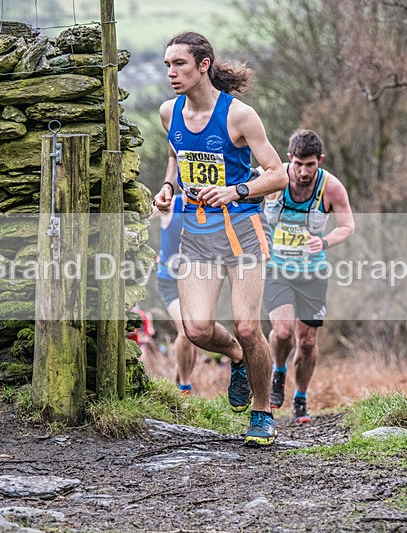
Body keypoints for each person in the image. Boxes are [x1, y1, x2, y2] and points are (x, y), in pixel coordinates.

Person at [153, 31, 287, 447]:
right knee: (195, 328)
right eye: (168, 66)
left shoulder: (239, 116)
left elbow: (278, 174)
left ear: (203, 65)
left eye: (180, 64)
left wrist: (237, 190)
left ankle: (262, 414)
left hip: (244, 228)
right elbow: (176, 155)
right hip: (198, 232)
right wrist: (168, 189)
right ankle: (238, 360)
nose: (172, 73)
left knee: (248, 326)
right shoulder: (167, 112)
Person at [262, 130, 355, 423]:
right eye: (298, 164)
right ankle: (278, 371)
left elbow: (347, 225)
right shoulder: (274, 180)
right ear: (290, 159)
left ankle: (300, 399)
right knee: (284, 331)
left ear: (320, 161)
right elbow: (245, 206)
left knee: (307, 342)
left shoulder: (331, 188)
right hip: (277, 269)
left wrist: (324, 241)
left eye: (310, 165)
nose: (303, 172)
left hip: (312, 274)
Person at [155, 193, 200, 395]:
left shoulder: (211, 205)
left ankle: (178, 380)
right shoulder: (174, 204)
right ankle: (185, 386)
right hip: (169, 280)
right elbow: (141, 214)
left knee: (198, 333)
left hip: (196, 280)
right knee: (185, 330)